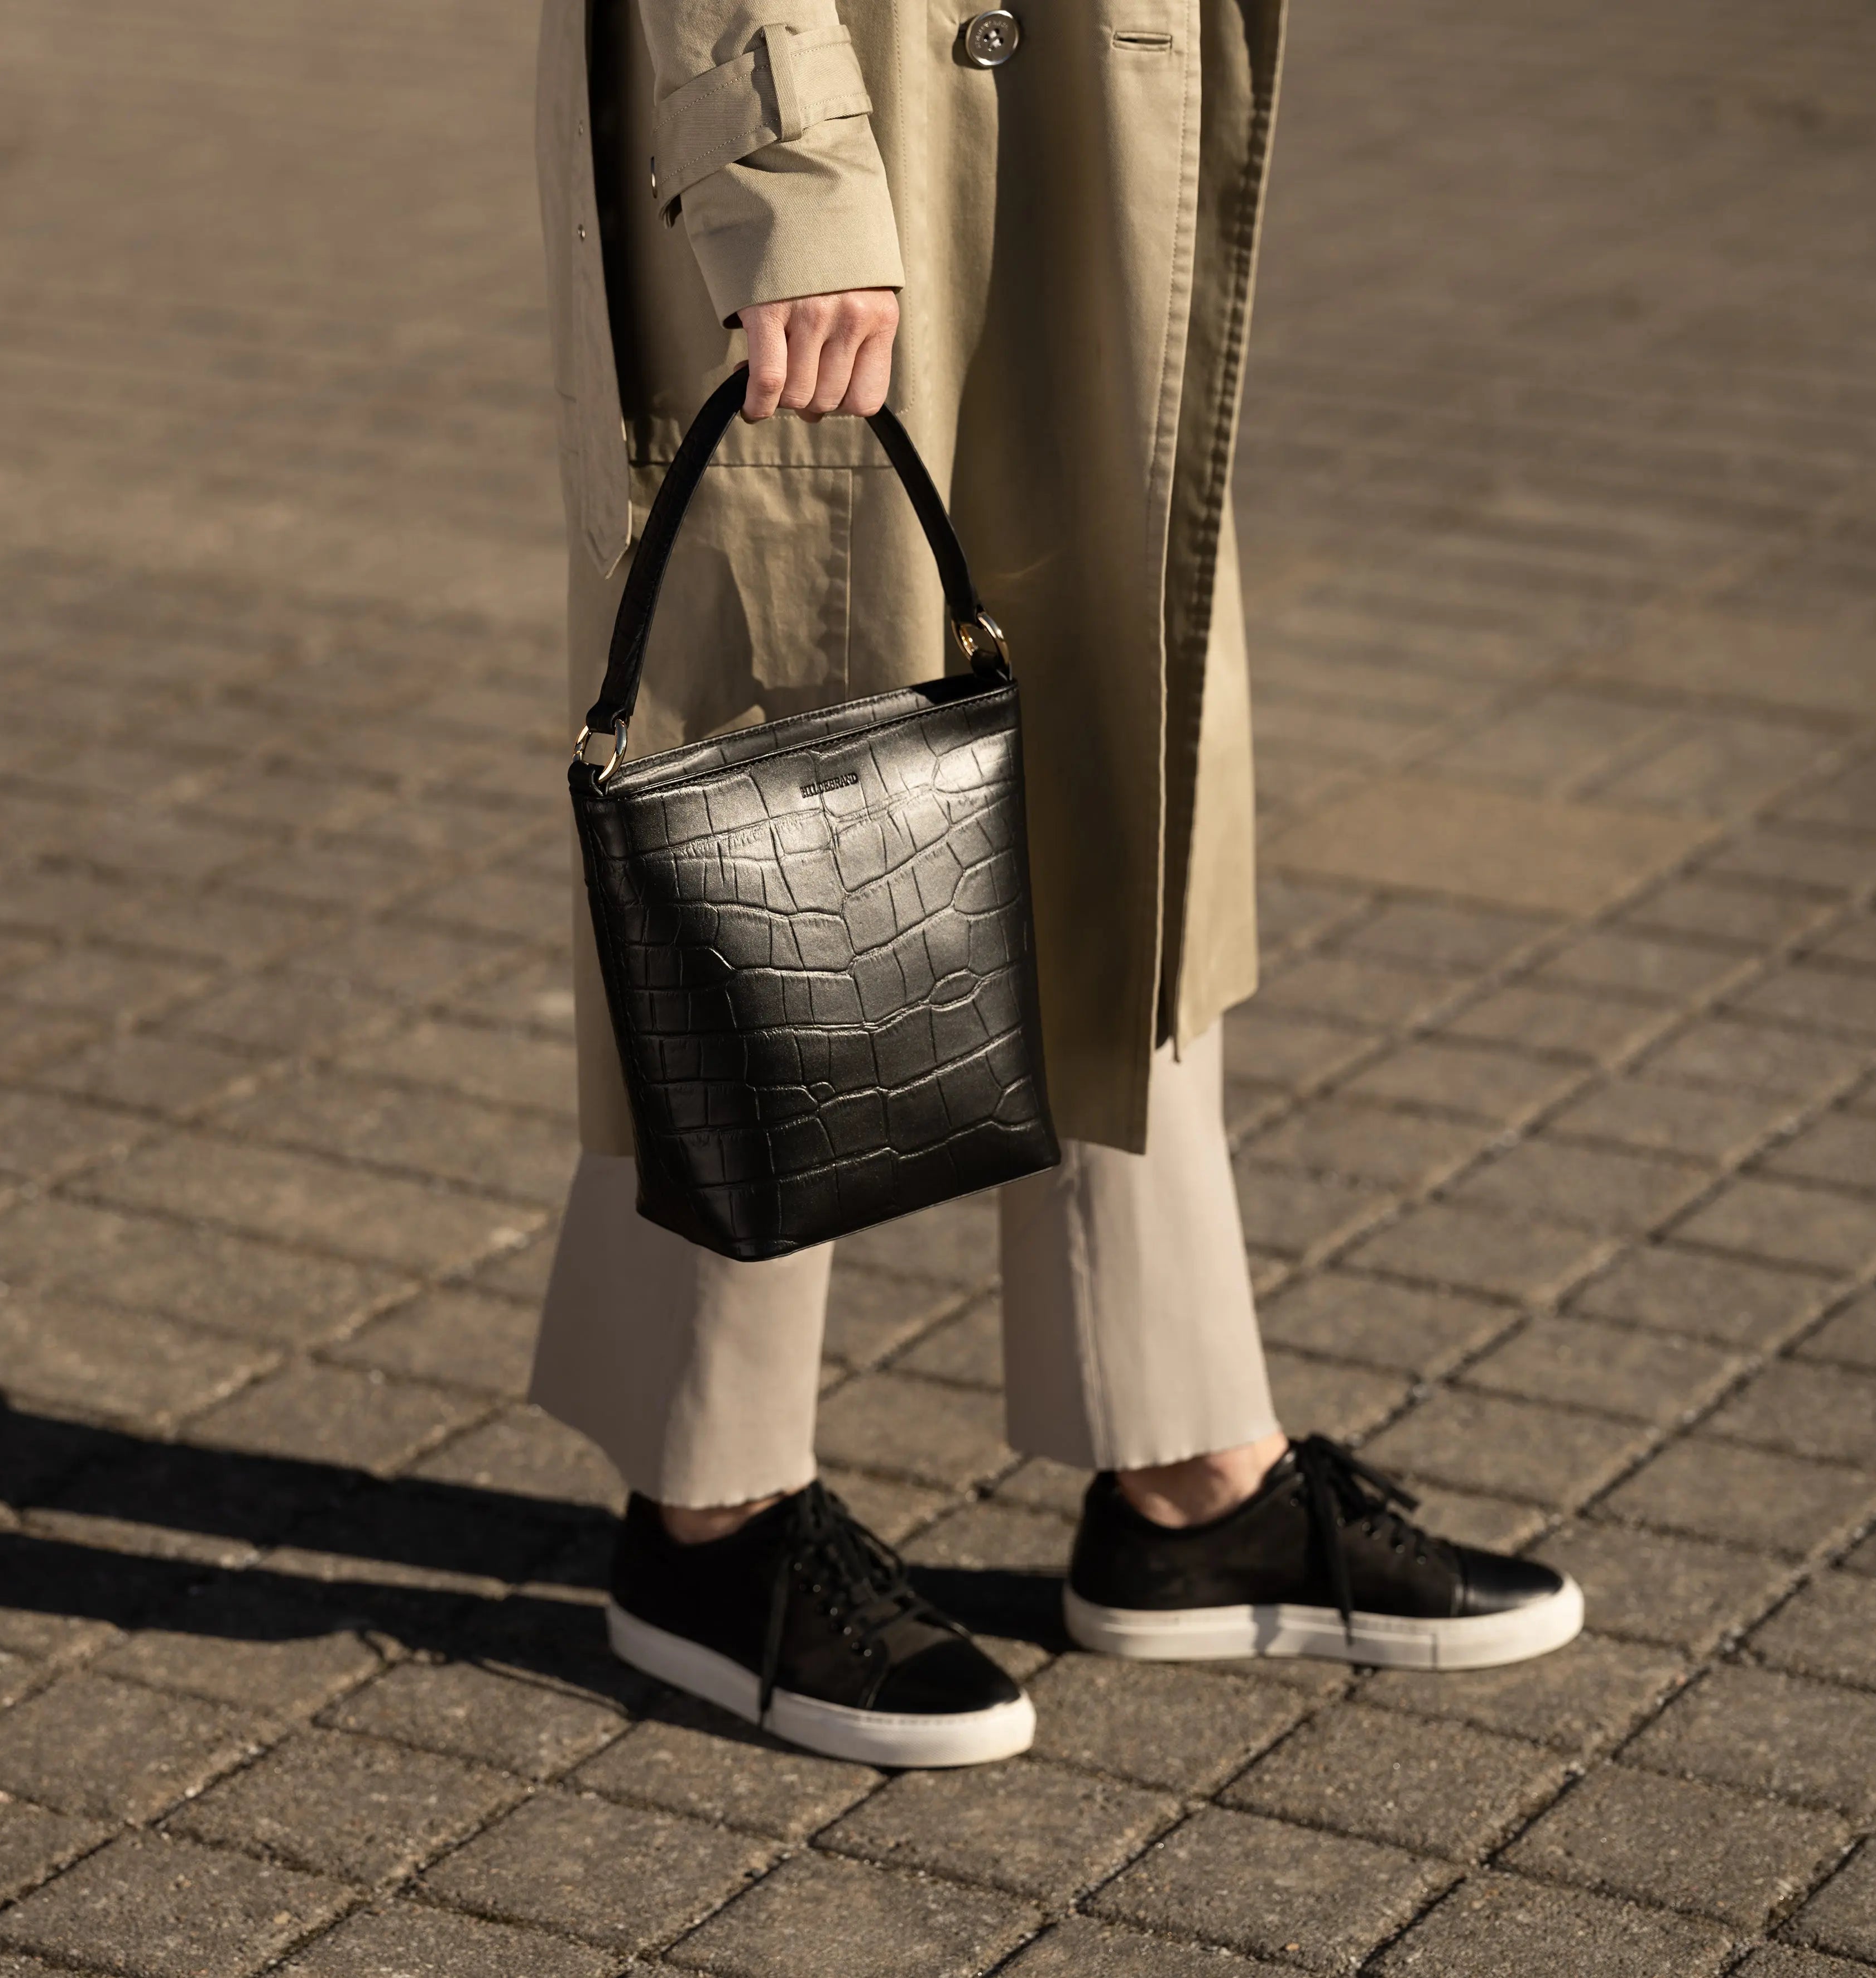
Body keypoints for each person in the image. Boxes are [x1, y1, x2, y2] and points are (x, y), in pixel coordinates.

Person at [529, 0, 1583, 1766]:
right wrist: (779, 168)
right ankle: (703, 1506)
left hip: (1097, 68)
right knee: (788, 750)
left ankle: (1185, 1464)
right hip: (839, 67)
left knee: (1119, 731)